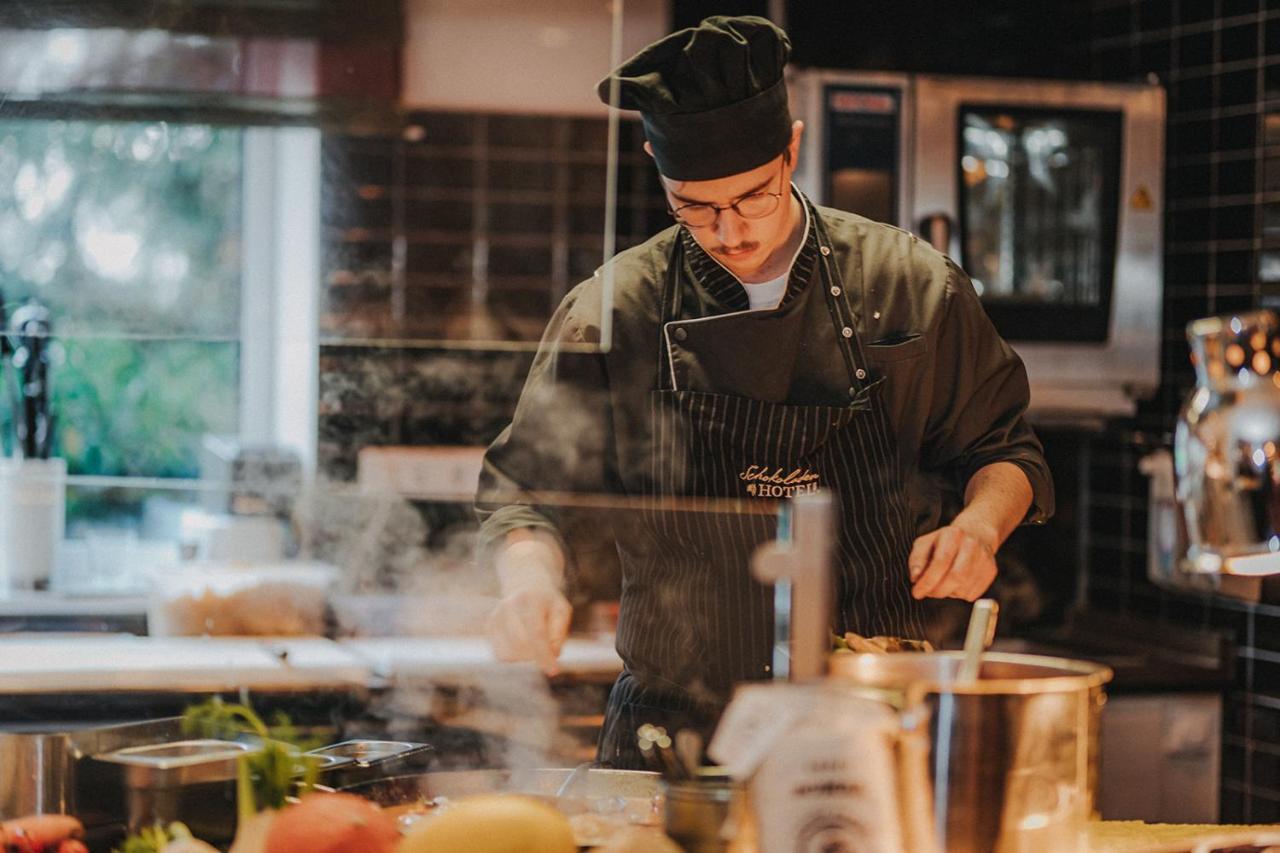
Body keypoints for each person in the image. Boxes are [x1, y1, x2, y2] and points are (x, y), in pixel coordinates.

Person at [475, 15, 1053, 768]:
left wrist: (979, 527)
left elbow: (1005, 449)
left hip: (874, 714)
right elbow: (528, 491)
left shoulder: (909, 285)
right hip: (672, 727)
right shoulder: (617, 309)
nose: (731, 231)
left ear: (793, 149)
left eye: (753, 197)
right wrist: (528, 581)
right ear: (654, 162)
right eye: (694, 206)